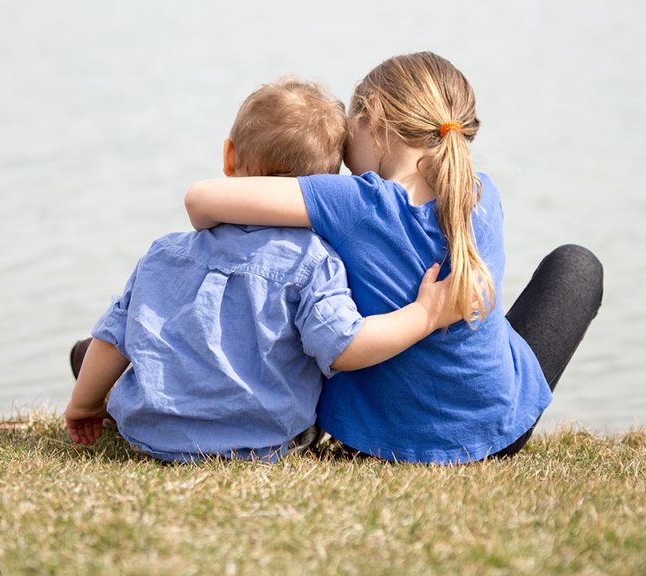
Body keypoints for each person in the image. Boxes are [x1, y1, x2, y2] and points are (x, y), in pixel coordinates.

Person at [184, 52, 604, 464]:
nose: (346, 165)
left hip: (373, 441)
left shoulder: (352, 201)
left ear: (376, 119)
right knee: (576, 265)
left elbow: (201, 200)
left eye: (349, 139)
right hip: (497, 434)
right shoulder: (481, 195)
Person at [65, 78, 461, 463]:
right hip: (265, 442)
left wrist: (84, 406)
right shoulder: (316, 261)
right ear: (328, 183)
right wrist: (423, 314)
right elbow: (341, 346)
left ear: (229, 157)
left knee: (105, 345)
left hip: (152, 435)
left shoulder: (164, 252)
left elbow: (112, 338)